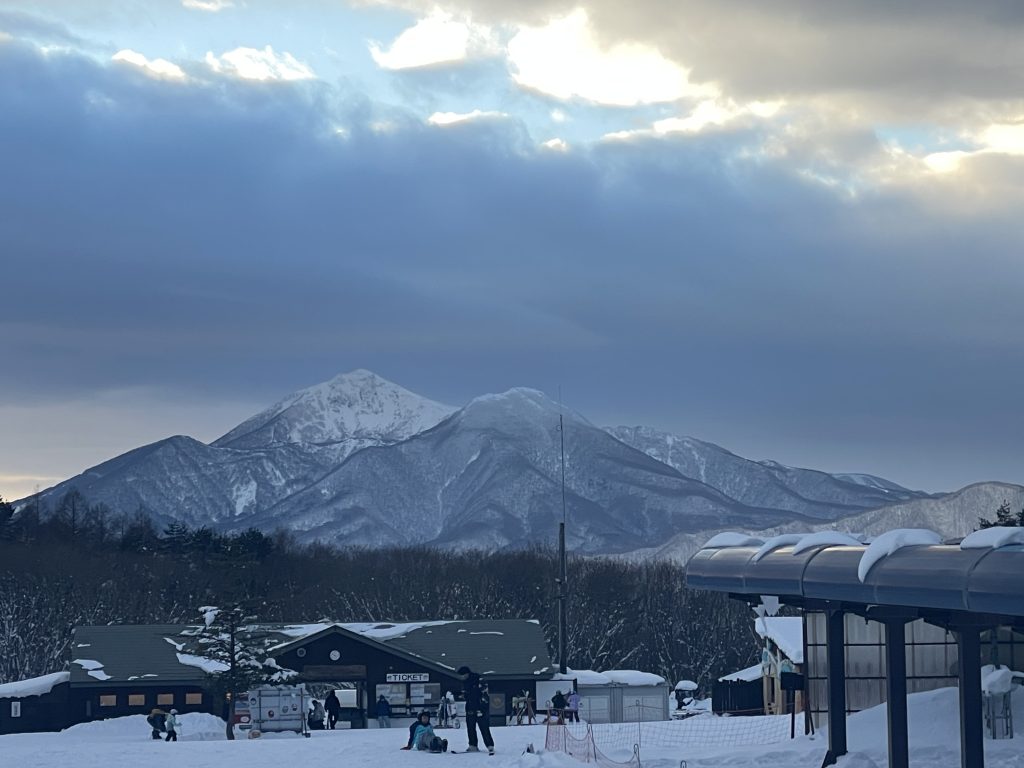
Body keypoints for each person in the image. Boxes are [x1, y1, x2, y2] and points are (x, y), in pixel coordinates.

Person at [457, 665, 494, 755]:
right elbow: (467, 694)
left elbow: (485, 695)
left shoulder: (478, 680)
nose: (462, 677)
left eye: (463, 675)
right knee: (470, 727)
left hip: (480, 708)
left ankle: (490, 745)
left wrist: (482, 708)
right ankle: (473, 745)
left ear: (467, 673)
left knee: (484, 727)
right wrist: (462, 695)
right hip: (470, 707)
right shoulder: (464, 683)